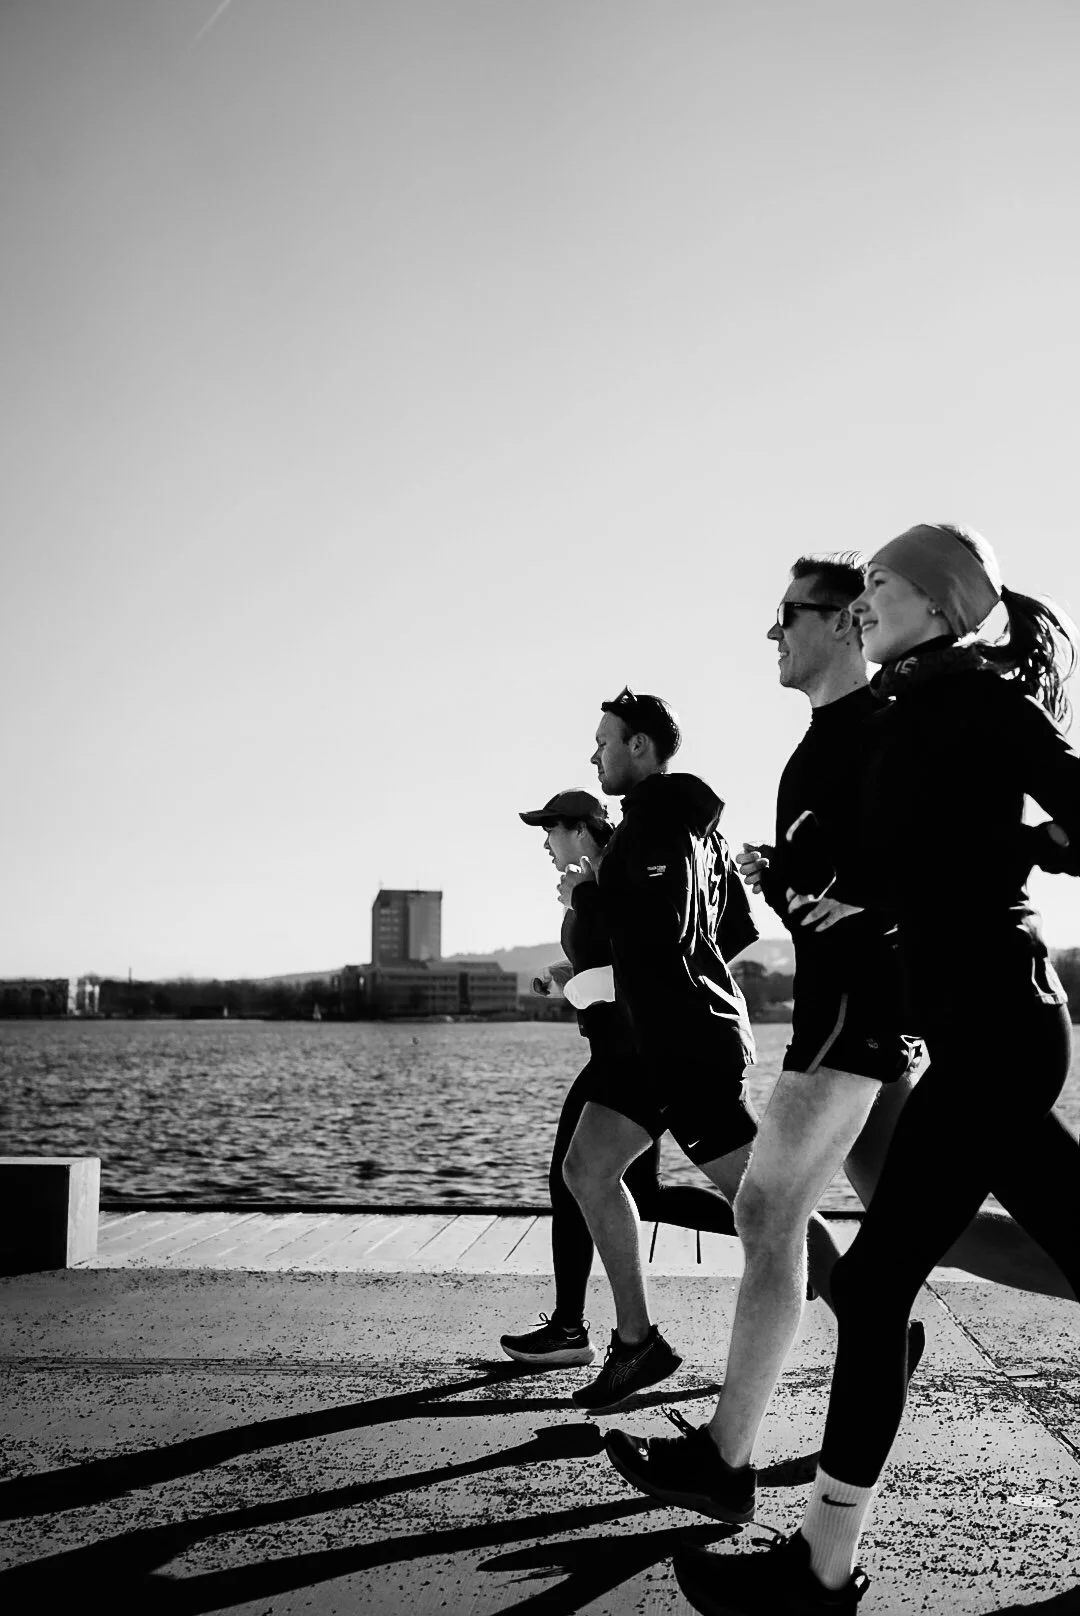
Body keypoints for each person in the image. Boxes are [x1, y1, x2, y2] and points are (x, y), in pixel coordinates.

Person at [604, 554, 1074, 1529]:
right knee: (926, 1231)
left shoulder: (885, 728)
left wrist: (883, 908)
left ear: (851, 622)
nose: (774, 630)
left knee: (782, 1213)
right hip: (883, 1026)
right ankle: (848, 1351)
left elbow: (938, 860)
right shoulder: (831, 745)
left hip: (871, 1031)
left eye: (791, 612)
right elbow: (898, 871)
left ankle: (734, 1457)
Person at [559, 688, 842, 1416]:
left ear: (641, 748)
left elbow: (661, 924)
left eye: (604, 742)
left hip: (685, 1044)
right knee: (588, 1166)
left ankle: (874, 1318)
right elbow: (733, 929)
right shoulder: (690, 827)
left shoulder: (655, 825)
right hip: (663, 1035)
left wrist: (591, 894)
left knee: (762, 1203)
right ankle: (637, 1343)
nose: (594, 755)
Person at [500, 788, 742, 1369]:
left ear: (581, 829)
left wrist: (580, 981)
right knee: (627, 1189)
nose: (544, 842)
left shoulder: (614, 873)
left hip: (636, 1054)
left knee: (578, 1176)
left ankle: (798, 1251)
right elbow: (615, 953)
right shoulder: (594, 879)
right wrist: (568, 970)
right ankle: (573, 1326)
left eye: (550, 829)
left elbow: (650, 956)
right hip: (620, 1052)